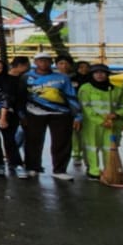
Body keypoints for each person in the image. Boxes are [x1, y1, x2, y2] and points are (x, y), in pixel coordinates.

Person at [23, 52, 82, 180]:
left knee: (62, 142)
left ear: (51, 62)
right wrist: (22, 115)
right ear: (35, 62)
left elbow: (71, 97)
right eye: (40, 61)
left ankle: (59, 170)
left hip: (60, 114)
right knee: (33, 142)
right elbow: (20, 97)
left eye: (46, 61)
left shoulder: (62, 78)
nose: (43, 63)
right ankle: (33, 167)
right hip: (34, 113)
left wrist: (77, 116)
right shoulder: (26, 77)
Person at [77, 64, 123, 181]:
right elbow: (85, 108)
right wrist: (101, 121)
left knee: (109, 148)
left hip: (111, 124)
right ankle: (94, 170)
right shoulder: (85, 88)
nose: (99, 75)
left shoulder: (116, 89)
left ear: (107, 74)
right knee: (91, 147)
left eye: (102, 72)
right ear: (92, 75)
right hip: (92, 125)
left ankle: (109, 170)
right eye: (96, 72)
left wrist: (117, 114)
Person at [0, 60, 25, 177]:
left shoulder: (9, 81)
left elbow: (7, 100)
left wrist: (3, 118)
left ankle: (16, 165)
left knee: (9, 140)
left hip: (7, 115)